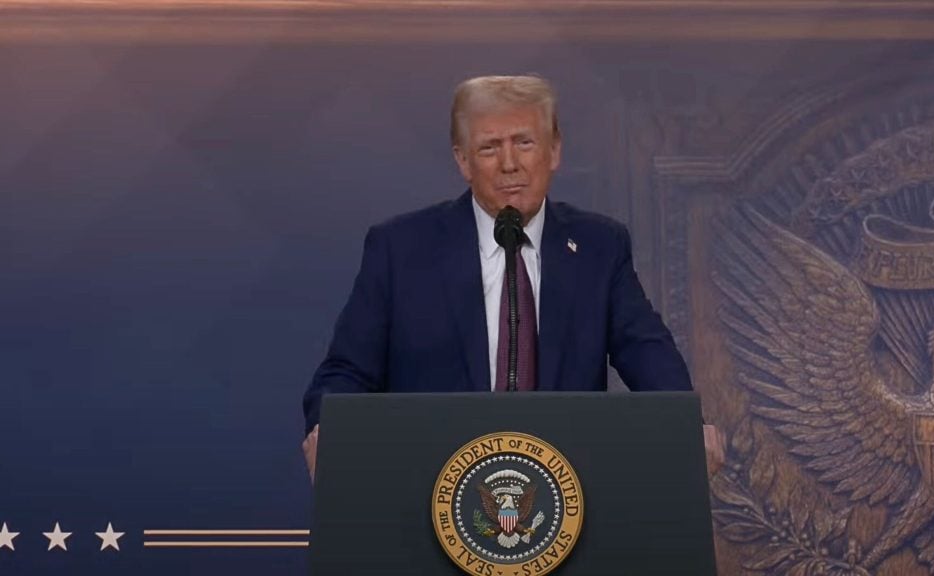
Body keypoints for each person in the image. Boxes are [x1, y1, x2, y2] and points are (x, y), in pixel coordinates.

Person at [302, 75, 725, 480]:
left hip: (567, 491)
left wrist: (685, 422)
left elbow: (646, 351)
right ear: (462, 160)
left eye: (524, 142)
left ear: (554, 151)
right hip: (430, 489)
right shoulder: (401, 248)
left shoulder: (598, 247)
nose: (509, 164)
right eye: (489, 148)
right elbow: (347, 371)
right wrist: (330, 429)